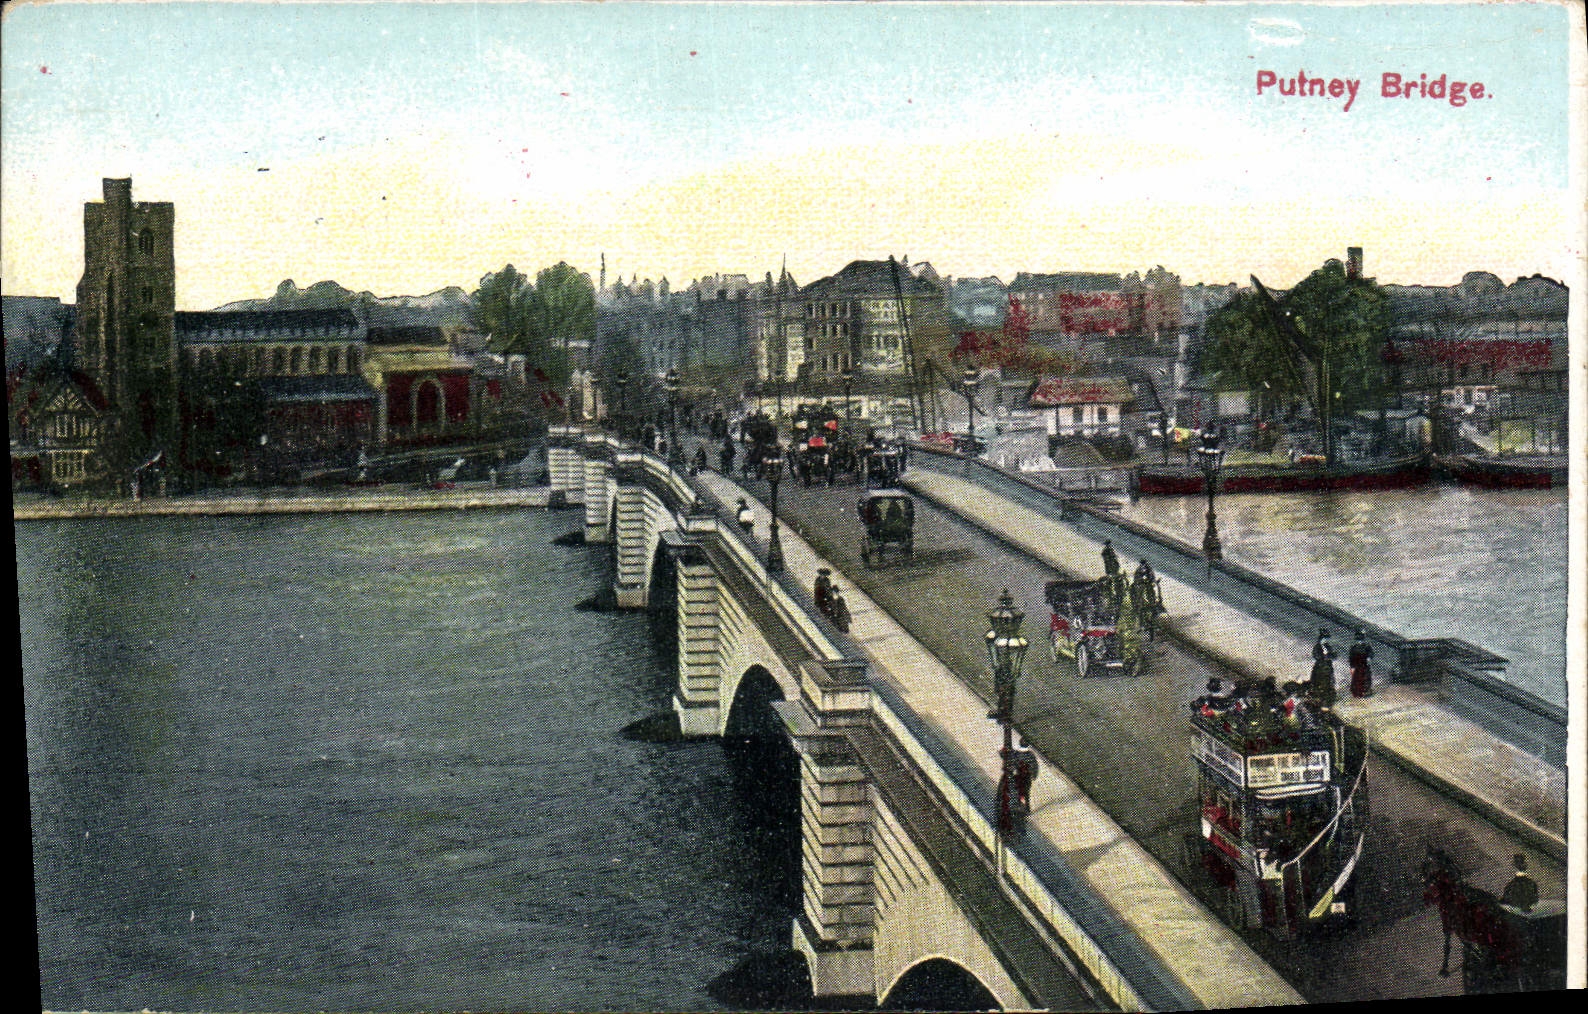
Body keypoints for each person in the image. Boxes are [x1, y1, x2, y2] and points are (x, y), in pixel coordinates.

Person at [1310, 628, 1337, 707]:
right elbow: (1316, 656)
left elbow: (1333, 656)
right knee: (1318, 681)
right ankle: (1318, 696)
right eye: (1324, 639)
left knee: (1329, 681)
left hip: (1328, 667)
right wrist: (1325, 656)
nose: (1325, 641)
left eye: (1326, 639)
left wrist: (1330, 656)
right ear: (1321, 639)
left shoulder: (1328, 647)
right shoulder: (1317, 647)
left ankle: (1327, 696)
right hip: (1320, 667)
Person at [1349, 629, 1375, 698]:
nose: (1359, 642)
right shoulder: (1353, 648)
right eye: (1358, 640)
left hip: (1365, 665)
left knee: (1366, 678)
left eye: (1360, 640)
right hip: (1357, 666)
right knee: (1357, 679)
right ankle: (1358, 692)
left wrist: (1369, 657)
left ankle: (1366, 691)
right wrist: (1352, 667)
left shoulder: (1366, 647)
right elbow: (1351, 658)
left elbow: (1371, 653)